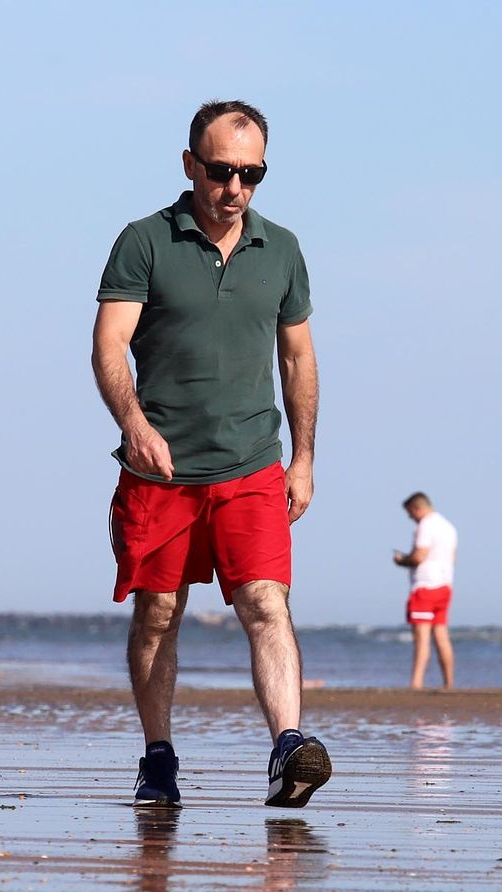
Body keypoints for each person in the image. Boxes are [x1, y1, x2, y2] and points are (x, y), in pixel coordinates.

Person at [92, 99, 331, 810]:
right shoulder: (144, 241)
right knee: (158, 613)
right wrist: (134, 423)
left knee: (266, 601)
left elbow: (298, 358)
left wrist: (303, 458)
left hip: (252, 463)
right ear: (190, 164)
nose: (234, 187)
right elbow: (109, 346)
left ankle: (288, 746)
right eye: (221, 171)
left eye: (250, 174)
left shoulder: (281, 249)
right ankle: (159, 756)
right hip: (159, 471)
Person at [393, 492, 458, 690]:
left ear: (417, 508)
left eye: (410, 513)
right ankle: (448, 683)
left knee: (421, 638)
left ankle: (416, 683)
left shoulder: (426, 526)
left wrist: (402, 560)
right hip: (445, 584)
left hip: (425, 586)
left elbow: (419, 556)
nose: (410, 517)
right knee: (441, 636)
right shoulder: (448, 527)